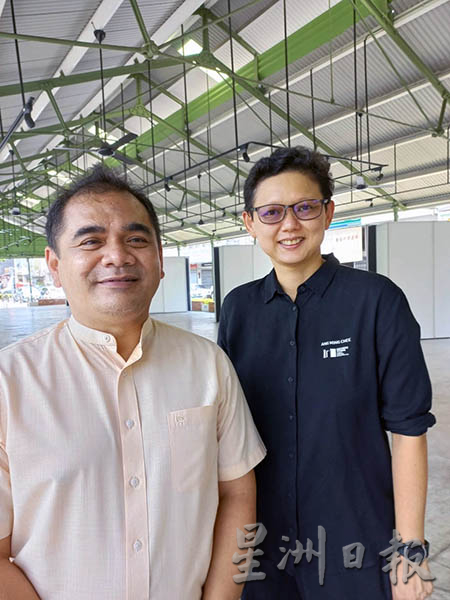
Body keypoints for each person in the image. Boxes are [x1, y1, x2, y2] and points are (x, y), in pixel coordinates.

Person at [0, 165, 266, 600]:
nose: (117, 256)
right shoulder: (10, 382)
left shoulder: (207, 365)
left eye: (136, 240)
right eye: (91, 241)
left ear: (159, 260)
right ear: (55, 265)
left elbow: (237, 493)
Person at [217, 146, 436, 599]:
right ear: (250, 223)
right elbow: (227, 434)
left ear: (328, 213)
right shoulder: (239, 309)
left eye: (305, 207)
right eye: (272, 212)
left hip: (356, 541)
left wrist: (409, 551)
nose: (289, 225)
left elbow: (408, 431)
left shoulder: (376, 301)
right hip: (262, 545)